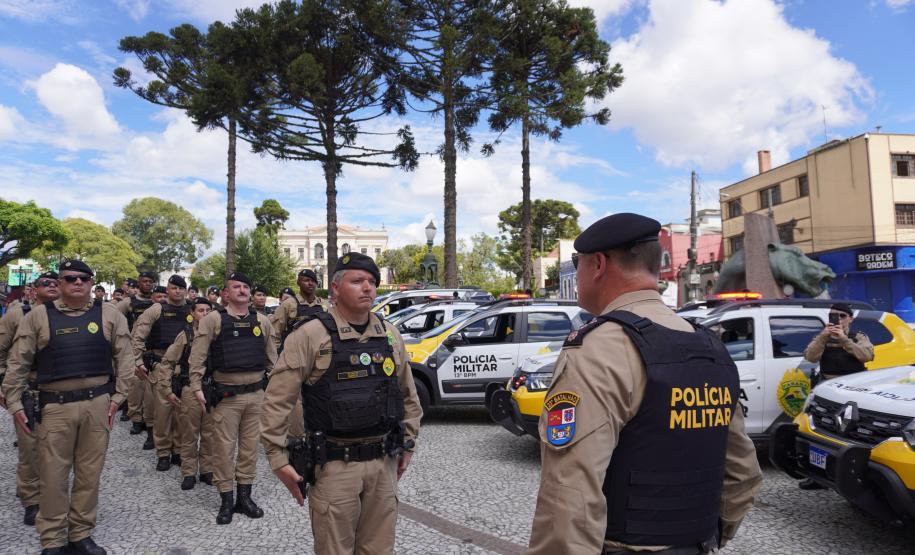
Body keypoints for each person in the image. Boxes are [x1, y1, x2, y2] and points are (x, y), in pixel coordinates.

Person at [525, 213, 762, 555]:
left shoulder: (599, 348)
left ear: (598, 265)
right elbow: (742, 474)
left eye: (578, 265)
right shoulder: (710, 347)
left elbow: (570, 493)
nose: (576, 276)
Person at [261, 253, 422, 555]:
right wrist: (277, 458)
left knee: (379, 549)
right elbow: (276, 400)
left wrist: (409, 443)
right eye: (357, 281)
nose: (368, 288)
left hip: (383, 462)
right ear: (335, 289)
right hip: (334, 467)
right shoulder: (310, 335)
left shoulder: (390, 335)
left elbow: (408, 396)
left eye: (372, 282)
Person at [3, 259, 133, 555]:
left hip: (97, 404)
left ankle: (80, 533)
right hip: (54, 407)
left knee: (89, 473)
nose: (77, 283)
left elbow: (126, 358)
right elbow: (18, 361)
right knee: (53, 474)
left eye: (84, 278)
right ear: (59, 284)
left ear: (90, 283)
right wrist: (13, 401)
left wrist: (117, 399)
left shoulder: (110, 315)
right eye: (70, 278)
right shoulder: (37, 316)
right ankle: (52, 539)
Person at [188, 272, 277, 524]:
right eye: (236, 287)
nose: (242, 290)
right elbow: (197, 357)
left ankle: (244, 498)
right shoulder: (213, 320)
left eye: (245, 287)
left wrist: (276, 390)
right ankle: (226, 500)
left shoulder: (262, 321)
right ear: (226, 293)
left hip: (256, 396)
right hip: (226, 397)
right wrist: (195, 386)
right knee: (224, 450)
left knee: (249, 450)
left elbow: (273, 360)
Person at [0, 271, 59, 526]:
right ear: (34, 290)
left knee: (56, 450)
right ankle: (32, 500)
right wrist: (5, 385)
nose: (53, 287)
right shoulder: (18, 314)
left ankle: (52, 493)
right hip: (29, 390)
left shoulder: (67, 314)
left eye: (57, 283)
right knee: (30, 450)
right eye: (46, 283)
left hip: (59, 392)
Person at [797, 302, 875, 489]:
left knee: (851, 435)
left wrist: (844, 340)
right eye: (833, 315)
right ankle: (817, 476)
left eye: (842, 316)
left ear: (850, 319)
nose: (838, 319)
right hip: (827, 392)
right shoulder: (823, 336)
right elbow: (810, 357)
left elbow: (866, 356)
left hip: (853, 393)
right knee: (820, 433)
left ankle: (855, 476)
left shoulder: (858, 336)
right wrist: (823, 337)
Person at [152, 297, 214, 489]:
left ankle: (207, 471)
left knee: (210, 434)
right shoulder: (185, 335)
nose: (204, 314)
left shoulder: (218, 334)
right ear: (192, 314)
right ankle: (188, 472)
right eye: (200, 310)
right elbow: (168, 362)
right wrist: (167, 389)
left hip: (212, 389)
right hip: (189, 390)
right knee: (189, 434)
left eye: (207, 311)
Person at [132, 274, 191, 467]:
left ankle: (179, 450)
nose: (178, 291)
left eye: (181, 288)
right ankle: (163, 452)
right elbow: (138, 336)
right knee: (163, 413)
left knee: (183, 412)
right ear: (167, 290)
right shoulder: (156, 310)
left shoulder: (192, 309)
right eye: (174, 288)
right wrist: (138, 360)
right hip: (161, 365)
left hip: (185, 367)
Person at [116, 272, 156, 435]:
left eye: (150, 281)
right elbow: (116, 321)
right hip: (134, 347)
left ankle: (149, 419)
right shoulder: (128, 303)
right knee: (135, 387)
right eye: (144, 281)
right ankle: (136, 419)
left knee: (149, 388)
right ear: (138, 283)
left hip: (152, 347)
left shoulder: (157, 302)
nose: (147, 284)